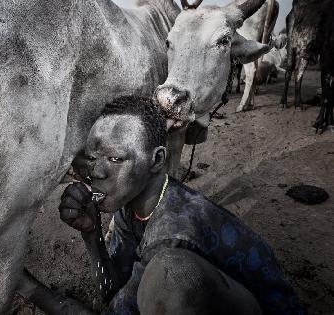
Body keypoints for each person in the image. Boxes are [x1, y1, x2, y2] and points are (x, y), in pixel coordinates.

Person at [39, 95, 305, 315]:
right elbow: (113, 290)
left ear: (157, 160)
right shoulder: (131, 201)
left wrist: (34, 292)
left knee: (170, 276)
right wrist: (92, 234)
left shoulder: (172, 233)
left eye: (116, 159)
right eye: (94, 158)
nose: (97, 172)